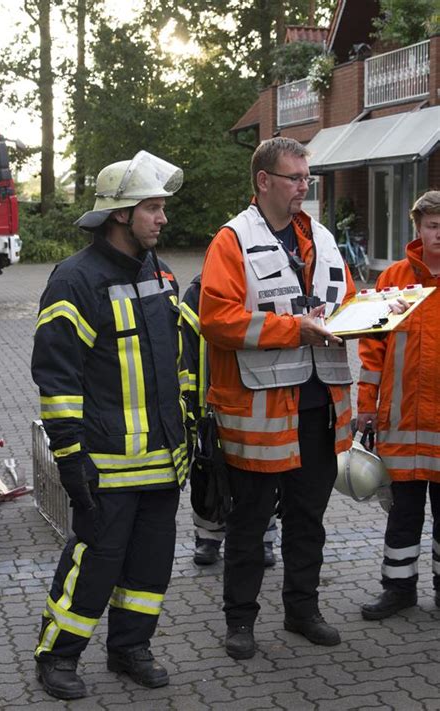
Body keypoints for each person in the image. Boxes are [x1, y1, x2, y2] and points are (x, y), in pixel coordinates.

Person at [31, 151, 189, 700]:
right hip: (106, 462)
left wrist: (196, 430)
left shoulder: (161, 273)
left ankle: (130, 649)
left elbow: (179, 361)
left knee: (149, 569)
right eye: (153, 208)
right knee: (94, 563)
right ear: (120, 213)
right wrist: (70, 458)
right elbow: (57, 377)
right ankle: (57, 655)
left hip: (164, 459)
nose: (163, 219)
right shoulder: (74, 281)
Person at [199, 136, 356, 659]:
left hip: (319, 407)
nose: (303, 187)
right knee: (250, 521)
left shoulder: (324, 240)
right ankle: (240, 622)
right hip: (260, 413)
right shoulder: (232, 241)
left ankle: (302, 611)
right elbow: (217, 319)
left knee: (309, 518)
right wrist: (294, 330)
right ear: (264, 181)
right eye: (294, 178)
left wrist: (373, 316)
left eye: (306, 178)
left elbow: (347, 301)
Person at [358, 190, 440, 621]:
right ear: (418, 229)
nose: (439, 234)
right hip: (402, 421)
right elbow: (372, 349)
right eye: (432, 225)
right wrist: (366, 405)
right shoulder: (395, 279)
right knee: (403, 514)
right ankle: (398, 589)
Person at [181, 274, 278, 568]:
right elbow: (183, 350)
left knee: (262, 470)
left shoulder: (261, 289)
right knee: (209, 472)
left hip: (255, 399)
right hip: (209, 403)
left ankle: (265, 537)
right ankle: (208, 536)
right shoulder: (197, 293)